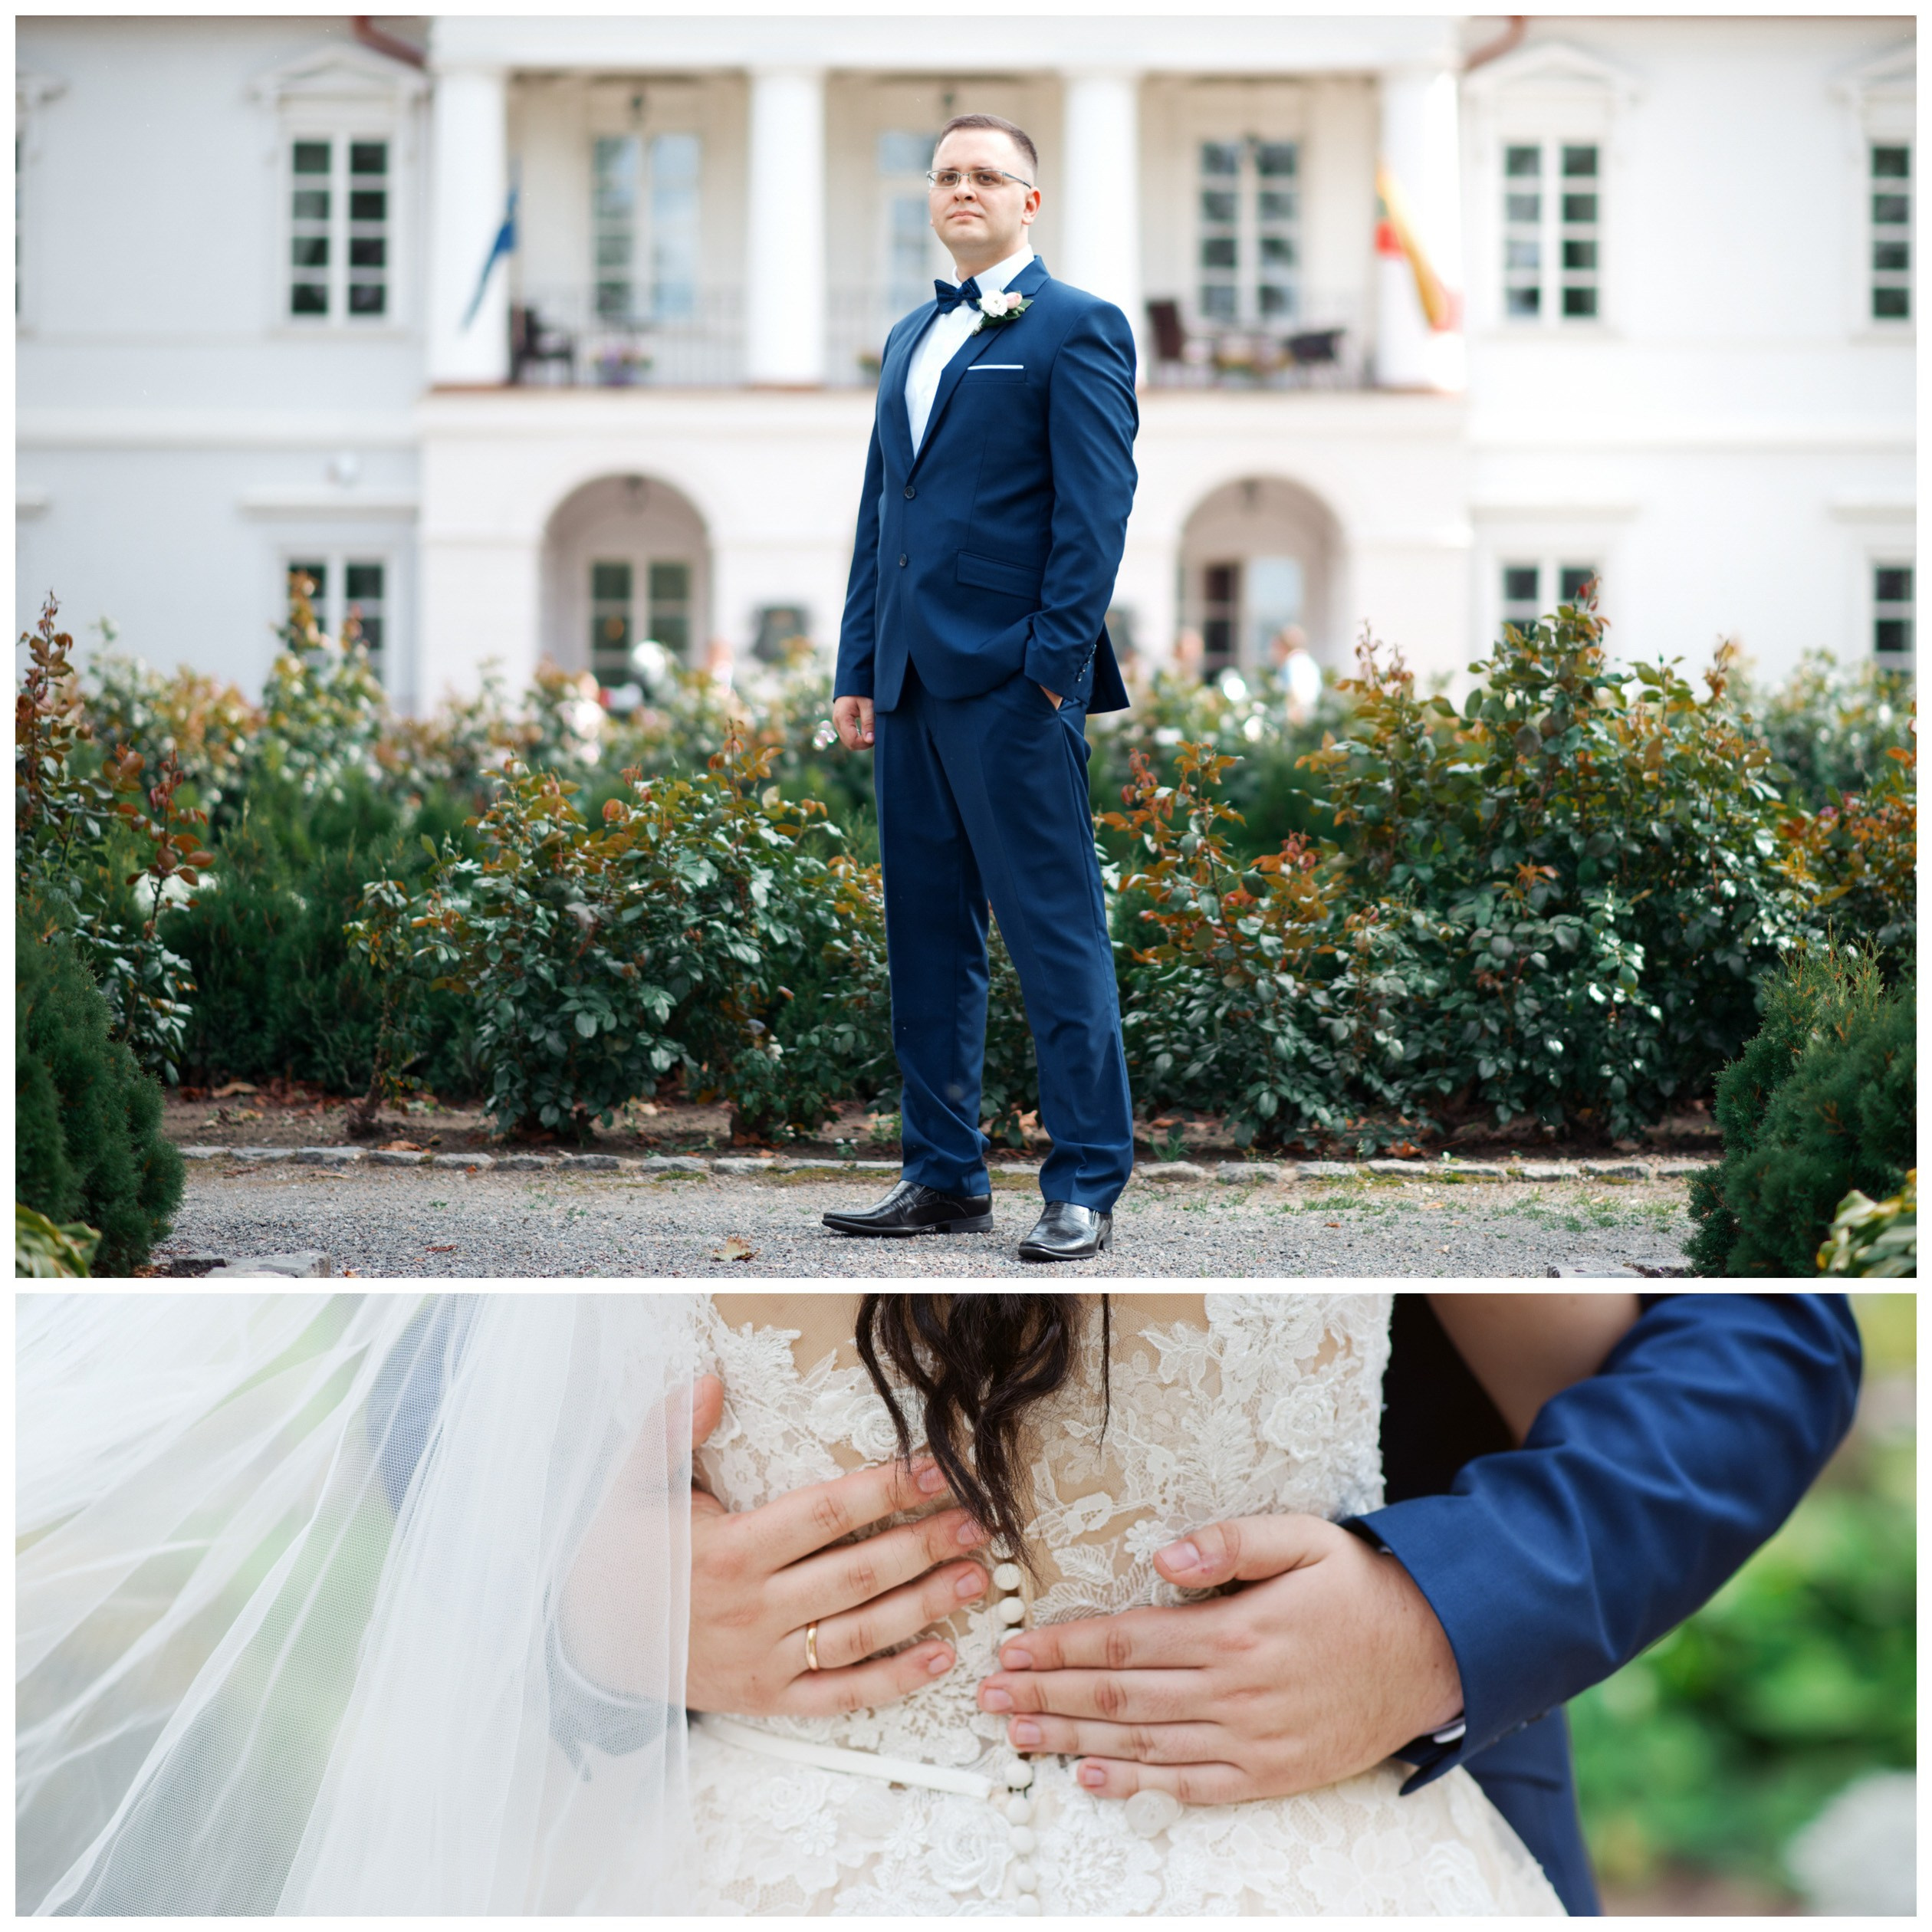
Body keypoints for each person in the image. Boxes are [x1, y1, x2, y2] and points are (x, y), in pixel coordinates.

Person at [822, 113, 1138, 1263]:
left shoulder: (1077, 329)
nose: (964, 189)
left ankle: (1086, 1184)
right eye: (947, 174)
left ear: (1028, 203)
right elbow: (881, 518)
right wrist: (859, 666)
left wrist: (1051, 675)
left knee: (1055, 938)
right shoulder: (913, 333)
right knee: (927, 941)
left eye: (987, 175)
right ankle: (944, 1175)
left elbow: (1093, 518)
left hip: (1014, 686)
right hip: (906, 683)